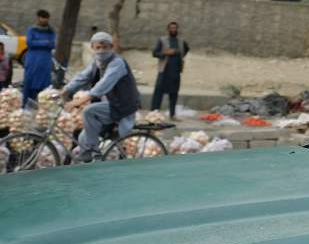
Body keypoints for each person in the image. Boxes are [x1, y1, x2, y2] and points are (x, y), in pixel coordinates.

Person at [64, 31, 141, 163]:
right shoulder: (97, 63)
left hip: (122, 105)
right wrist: (66, 90)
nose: (101, 51)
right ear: (92, 48)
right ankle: (92, 156)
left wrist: (81, 100)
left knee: (89, 111)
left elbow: (104, 84)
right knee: (82, 139)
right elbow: (82, 77)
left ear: (111, 47)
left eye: (105, 47)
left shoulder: (117, 63)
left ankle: (92, 150)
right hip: (111, 104)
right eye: (98, 47)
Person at [151, 21, 190, 119]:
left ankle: (172, 114)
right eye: (171, 28)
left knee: (174, 93)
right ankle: (154, 114)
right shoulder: (162, 40)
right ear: (168, 29)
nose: (173, 30)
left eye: (175, 28)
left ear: (177, 29)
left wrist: (180, 57)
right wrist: (166, 53)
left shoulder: (181, 41)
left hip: (176, 72)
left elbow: (186, 49)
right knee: (158, 93)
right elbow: (155, 53)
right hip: (164, 71)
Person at [22, 9, 56, 106]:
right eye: (43, 18)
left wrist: (38, 42)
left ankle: (43, 106)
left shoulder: (51, 31)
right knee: (29, 82)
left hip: (45, 61)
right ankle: (25, 105)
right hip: (33, 60)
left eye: (46, 18)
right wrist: (44, 42)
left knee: (44, 84)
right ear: (38, 18)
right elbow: (29, 43)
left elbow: (52, 44)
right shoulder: (32, 30)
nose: (45, 20)